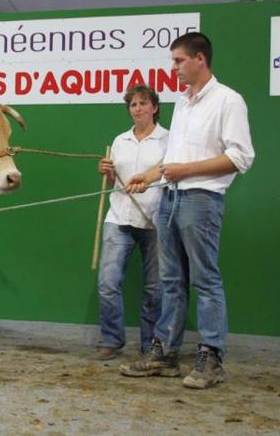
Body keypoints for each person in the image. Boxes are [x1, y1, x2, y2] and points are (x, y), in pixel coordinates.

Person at [119, 32, 255, 389]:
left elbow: (240, 158)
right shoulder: (182, 102)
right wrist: (150, 175)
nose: (174, 68)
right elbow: (174, 160)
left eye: (178, 60)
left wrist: (186, 171)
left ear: (199, 59)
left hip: (201, 199)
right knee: (171, 281)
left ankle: (211, 359)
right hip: (169, 197)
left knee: (205, 279)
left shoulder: (228, 101)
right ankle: (164, 354)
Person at [95, 84, 168, 360]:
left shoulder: (168, 140)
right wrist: (107, 172)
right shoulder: (120, 141)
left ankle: (150, 345)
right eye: (133, 105)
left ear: (154, 107)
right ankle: (112, 339)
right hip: (118, 217)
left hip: (155, 220)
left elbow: (170, 175)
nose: (137, 109)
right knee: (107, 282)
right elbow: (115, 180)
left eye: (142, 103)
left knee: (154, 288)